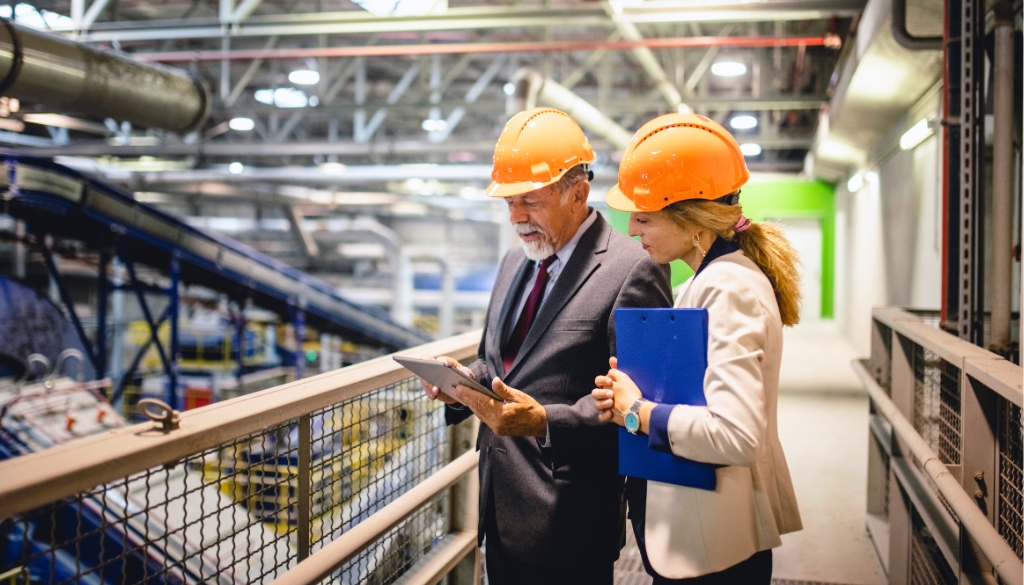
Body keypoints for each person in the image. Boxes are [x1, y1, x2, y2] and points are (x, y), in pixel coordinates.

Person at [418, 107, 672, 584]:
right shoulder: (515, 261)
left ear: (577, 193)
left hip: (569, 518)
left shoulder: (633, 268)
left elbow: (642, 408)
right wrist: (466, 384)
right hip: (499, 507)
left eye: (529, 201)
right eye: (509, 203)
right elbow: (502, 365)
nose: (516, 217)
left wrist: (543, 422)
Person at [592, 113, 803, 584]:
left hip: (714, 550)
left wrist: (637, 411)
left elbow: (736, 435)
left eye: (643, 217)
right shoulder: (715, 279)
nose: (630, 229)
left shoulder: (728, 288)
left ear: (691, 220)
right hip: (706, 534)